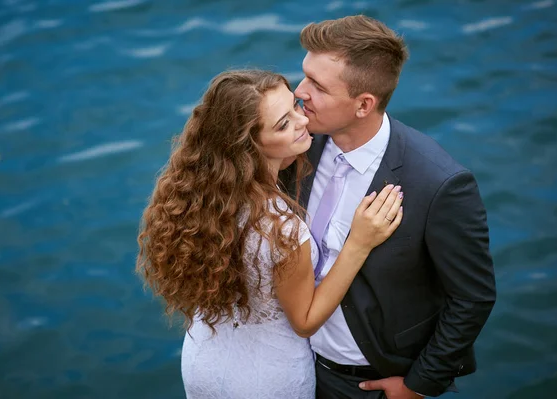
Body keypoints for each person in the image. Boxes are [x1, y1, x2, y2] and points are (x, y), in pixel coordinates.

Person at [136, 69, 404, 399]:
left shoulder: (201, 197)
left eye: (294, 106)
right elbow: (304, 321)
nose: (302, 121)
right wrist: (358, 244)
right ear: (250, 145)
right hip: (266, 381)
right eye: (283, 124)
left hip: (204, 360)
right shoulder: (282, 228)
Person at [281, 15, 496, 399]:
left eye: (318, 85)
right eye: (304, 75)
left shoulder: (439, 184)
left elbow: (472, 297)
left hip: (366, 383)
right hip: (290, 364)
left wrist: (419, 385)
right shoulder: (296, 146)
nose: (300, 92)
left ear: (364, 104)